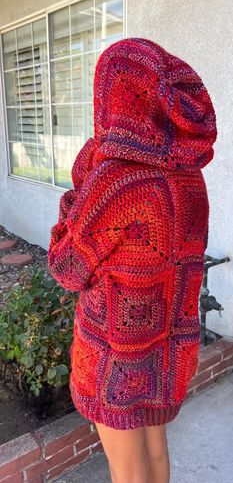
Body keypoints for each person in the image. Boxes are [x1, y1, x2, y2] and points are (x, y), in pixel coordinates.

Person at [47, 37, 217, 483]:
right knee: (157, 455)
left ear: (117, 98)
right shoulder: (189, 176)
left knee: (127, 472)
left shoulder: (116, 179)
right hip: (166, 350)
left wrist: (78, 188)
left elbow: (66, 267)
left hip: (115, 355)